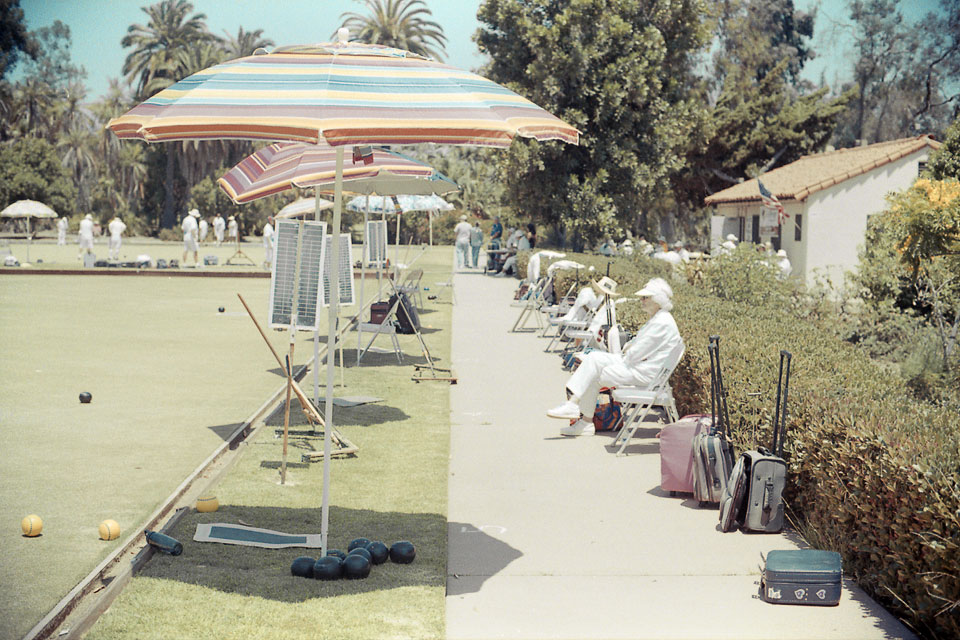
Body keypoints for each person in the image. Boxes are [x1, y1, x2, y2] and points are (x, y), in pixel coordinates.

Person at [546, 278, 681, 436]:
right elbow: (635, 349)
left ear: (658, 300)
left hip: (645, 374)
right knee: (593, 360)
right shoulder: (659, 318)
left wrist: (630, 348)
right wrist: (631, 348)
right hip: (641, 368)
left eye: (646, 297)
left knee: (593, 372)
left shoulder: (662, 322)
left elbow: (634, 353)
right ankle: (577, 410)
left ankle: (582, 418)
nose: (641, 300)